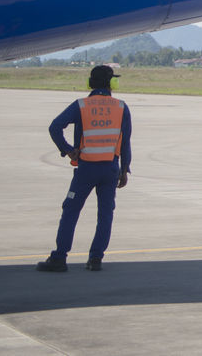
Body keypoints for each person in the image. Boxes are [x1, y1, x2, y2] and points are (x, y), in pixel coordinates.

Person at [36, 64, 132, 272]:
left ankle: (60, 258)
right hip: (110, 169)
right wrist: (125, 169)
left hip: (86, 169)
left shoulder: (81, 105)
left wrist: (68, 150)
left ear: (90, 83)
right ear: (112, 83)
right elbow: (125, 142)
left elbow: (55, 126)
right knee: (105, 214)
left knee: (70, 210)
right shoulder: (122, 107)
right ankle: (95, 259)